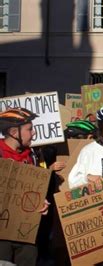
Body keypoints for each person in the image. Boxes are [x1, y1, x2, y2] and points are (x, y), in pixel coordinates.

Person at [0, 108, 50, 265]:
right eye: (29, 129)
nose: (34, 133)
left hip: (27, 234)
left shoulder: (34, 156)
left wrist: (43, 202)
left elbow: (38, 189)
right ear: (15, 132)